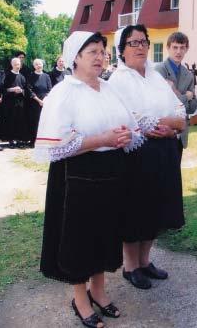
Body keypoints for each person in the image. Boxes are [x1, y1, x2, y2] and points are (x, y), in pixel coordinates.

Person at [36, 31, 143, 328]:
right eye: (92, 52)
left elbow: (130, 128)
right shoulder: (64, 92)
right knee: (80, 239)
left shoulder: (108, 89)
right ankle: (80, 299)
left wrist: (124, 136)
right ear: (76, 57)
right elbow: (56, 145)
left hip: (111, 173)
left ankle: (99, 291)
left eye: (102, 51)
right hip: (78, 176)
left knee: (106, 233)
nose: (100, 57)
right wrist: (101, 139)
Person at [109, 25, 186, 290]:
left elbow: (180, 111)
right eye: (133, 43)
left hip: (164, 150)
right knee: (136, 210)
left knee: (156, 208)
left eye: (143, 41)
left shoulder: (155, 76)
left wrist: (170, 125)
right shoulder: (119, 80)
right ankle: (131, 267)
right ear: (122, 49)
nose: (140, 47)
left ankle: (145, 261)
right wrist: (168, 123)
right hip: (137, 155)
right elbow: (136, 119)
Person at [155, 32, 197, 160]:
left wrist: (174, 91)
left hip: (180, 134)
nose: (178, 51)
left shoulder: (188, 74)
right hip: (163, 130)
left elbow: (193, 107)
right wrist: (187, 96)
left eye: (182, 47)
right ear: (168, 48)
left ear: (186, 49)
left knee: (175, 175)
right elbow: (164, 103)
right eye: (175, 47)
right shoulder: (159, 70)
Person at [0, 57, 27, 148]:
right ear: (12, 65)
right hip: (9, 103)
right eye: (15, 64)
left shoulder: (22, 77)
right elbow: (2, 89)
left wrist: (21, 91)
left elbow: (26, 89)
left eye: (18, 64)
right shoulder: (7, 75)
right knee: (10, 121)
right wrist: (12, 89)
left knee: (19, 121)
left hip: (20, 102)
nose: (17, 66)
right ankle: (11, 140)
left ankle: (19, 140)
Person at [26, 59, 52, 147]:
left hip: (45, 103)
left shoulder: (46, 76)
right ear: (34, 66)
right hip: (34, 103)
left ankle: (43, 141)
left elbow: (50, 89)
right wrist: (39, 100)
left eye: (40, 64)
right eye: (36, 64)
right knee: (34, 122)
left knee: (44, 122)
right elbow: (29, 90)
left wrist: (44, 100)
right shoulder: (31, 76)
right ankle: (33, 141)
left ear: (42, 65)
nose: (38, 66)